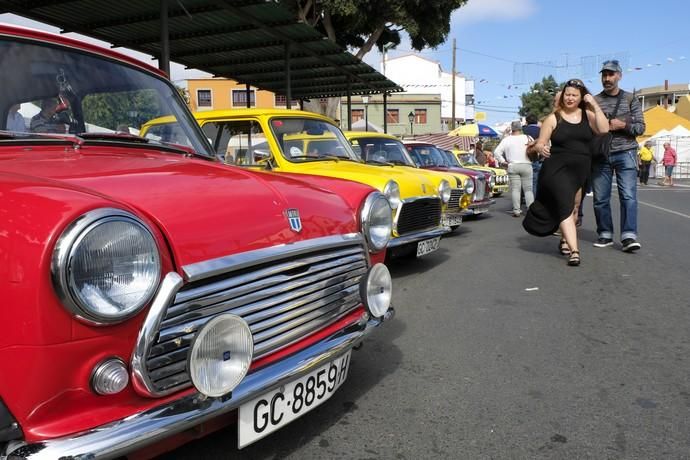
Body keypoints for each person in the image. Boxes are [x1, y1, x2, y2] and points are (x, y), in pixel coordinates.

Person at [523, 79, 608, 266]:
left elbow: (604, 129)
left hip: (580, 169)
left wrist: (594, 105)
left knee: (575, 206)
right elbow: (541, 142)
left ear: (581, 97)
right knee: (565, 205)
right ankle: (575, 251)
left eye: (574, 95)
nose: (570, 98)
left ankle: (564, 239)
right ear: (562, 96)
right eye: (567, 94)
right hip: (557, 168)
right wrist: (540, 147)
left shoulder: (588, 115)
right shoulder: (554, 118)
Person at [592, 60, 646, 252]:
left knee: (628, 196)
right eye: (604, 75)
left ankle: (629, 236)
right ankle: (605, 233)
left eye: (611, 74)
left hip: (626, 152)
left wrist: (622, 125)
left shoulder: (631, 99)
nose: (607, 78)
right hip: (601, 155)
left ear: (619, 76)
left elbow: (641, 128)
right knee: (600, 198)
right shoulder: (594, 100)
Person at [494, 120, 534, 217]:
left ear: (512, 129)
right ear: (521, 128)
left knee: (516, 189)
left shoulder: (507, 140)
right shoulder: (527, 138)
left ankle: (516, 210)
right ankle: (531, 210)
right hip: (526, 165)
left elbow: (496, 152)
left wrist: (503, 161)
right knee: (528, 189)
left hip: (513, 166)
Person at [523, 114, 542, 195]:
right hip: (536, 157)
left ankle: (522, 197)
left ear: (527, 122)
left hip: (523, 157)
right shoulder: (541, 130)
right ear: (537, 121)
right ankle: (533, 200)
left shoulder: (523, 130)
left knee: (522, 181)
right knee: (535, 181)